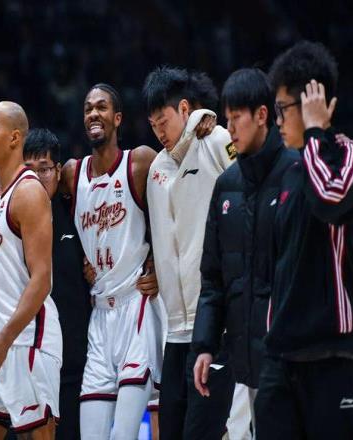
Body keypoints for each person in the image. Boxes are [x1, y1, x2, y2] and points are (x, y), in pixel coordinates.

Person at [254, 41, 353, 439]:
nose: (277, 121)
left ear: (311, 102)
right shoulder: (286, 173)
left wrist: (316, 132)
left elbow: (328, 200)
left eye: (283, 109)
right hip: (279, 357)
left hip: (331, 354)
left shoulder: (351, 156)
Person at [191, 68, 300, 438]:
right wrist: (205, 345)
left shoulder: (296, 173)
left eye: (237, 117)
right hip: (246, 362)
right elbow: (213, 278)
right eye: (227, 118)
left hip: (294, 359)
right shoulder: (226, 185)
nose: (230, 127)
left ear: (262, 115)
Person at [60, 83, 167, 439]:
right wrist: (80, 257)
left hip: (137, 307)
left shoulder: (140, 162)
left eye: (102, 107)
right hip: (99, 318)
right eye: (88, 108)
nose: (94, 113)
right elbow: (53, 221)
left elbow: (177, 200)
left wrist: (160, 266)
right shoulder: (72, 174)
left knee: (124, 434)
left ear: (117, 118)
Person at [143, 66, 238, 440]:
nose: (159, 132)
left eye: (163, 121)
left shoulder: (216, 141)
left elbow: (249, 197)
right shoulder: (155, 170)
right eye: (152, 125)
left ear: (185, 109)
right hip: (175, 330)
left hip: (216, 324)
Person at [0, 101, 62, 440]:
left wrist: (5, 340)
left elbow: (42, 279)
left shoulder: (30, 192)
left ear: (14, 138)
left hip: (27, 342)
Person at [23, 128, 92, 440]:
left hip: (72, 366)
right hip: (25, 361)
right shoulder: (10, 217)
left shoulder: (77, 212)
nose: (38, 178)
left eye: (45, 169)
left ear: (58, 170)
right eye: (30, 170)